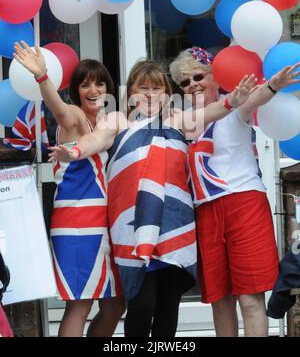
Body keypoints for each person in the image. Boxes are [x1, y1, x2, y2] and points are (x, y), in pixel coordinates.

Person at [47, 58, 257, 337]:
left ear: (167, 95)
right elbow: (95, 140)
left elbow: (212, 111)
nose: (149, 94)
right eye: (142, 87)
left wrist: (233, 100)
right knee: (142, 305)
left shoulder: (175, 119)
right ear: (130, 92)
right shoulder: (117, 120)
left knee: (168, 307)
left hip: (174, 226)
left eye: (157, 88)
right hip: (133, 229)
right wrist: (74, 152)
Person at [169, 46, 300, 337]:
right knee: (220, 299)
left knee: (250, 297)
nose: (192, 85)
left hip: (244, 204)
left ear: (215, 76)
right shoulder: (182, 118)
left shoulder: (233, 101)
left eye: (198, 77)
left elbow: (254, 99)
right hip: (204, 210)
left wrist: (273, 86)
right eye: (185, 82)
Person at [14, 41, 125, 337]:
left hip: (102, 225)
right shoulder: (76, 117)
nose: (94, 90)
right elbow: (59, 109)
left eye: (100, 84)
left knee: (115, 304)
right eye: (86, 84)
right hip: (78, 224)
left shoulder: (107, 123)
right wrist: (42, 77)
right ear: (76, 90)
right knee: (80, 306)